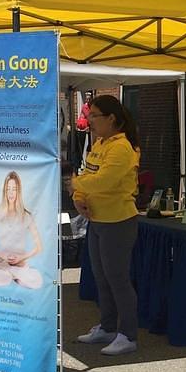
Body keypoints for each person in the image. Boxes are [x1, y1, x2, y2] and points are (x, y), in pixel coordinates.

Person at [70, 94, 140, 356]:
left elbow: (105, 181)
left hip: (118, 221)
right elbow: (88, 173)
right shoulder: (99, 143)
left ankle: (128, 335)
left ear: (111, 119)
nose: (90, 121)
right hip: (97, 220)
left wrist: (74, 185)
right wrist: (78, 198)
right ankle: (108, 327)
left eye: (94, 116)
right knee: (102, 277)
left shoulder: (122, 148)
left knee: (118, 278)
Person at [0, 171, 43, 289]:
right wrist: (1, 254)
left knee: (37, 281)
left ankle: (14, 275)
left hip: (20, 265)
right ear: (4, 191)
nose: (11, 193)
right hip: (2, 264)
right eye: (8, 189)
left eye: (14, 189)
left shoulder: (26, 216)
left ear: (19, 191)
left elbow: (39, 247)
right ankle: (9, 275)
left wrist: (22, 257)